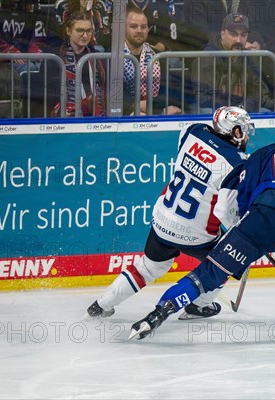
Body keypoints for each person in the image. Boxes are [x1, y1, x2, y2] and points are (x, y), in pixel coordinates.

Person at [129, 118, 275, 341]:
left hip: (258, 221)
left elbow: (240, 195)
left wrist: (252, 226)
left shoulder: (263, 153)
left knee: (208, 273)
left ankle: (158, 312)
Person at [87, 106, 253, 319]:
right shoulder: (237, 164)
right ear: (236, 132)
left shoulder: (192, 132)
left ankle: (101, 305)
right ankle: (199, 306)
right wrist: (245, 232)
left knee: (146, 269)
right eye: (245, 130)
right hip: (197, 236)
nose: (247, 135)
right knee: (226, 260)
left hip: (163, 221)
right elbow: (228, 214)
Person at [189, 12, 275, 114]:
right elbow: (203, 98)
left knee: (265, 112)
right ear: (222, 34)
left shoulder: (248, 58)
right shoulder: (207, 58)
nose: (238, 40)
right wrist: (232, 105)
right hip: (213, 110)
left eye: (243, 35)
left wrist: (241, 107)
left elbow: (257, 92)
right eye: (233, 34)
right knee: (207, 112)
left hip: (241, 109)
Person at [33, 10, 106, 117]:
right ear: (68, 31)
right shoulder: (54, 58)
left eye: (89, 31)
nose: (85, 35)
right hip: (63, 117)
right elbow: (46, 93)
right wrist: (60, 111)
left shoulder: (96, 58)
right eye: (80, 30)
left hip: (94, 116)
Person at [122, 6, 182, 115]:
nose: (139, 30)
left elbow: (171, 92)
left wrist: (152, 103)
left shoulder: (158, 56)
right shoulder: (113, 57)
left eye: (143, 27)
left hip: (155, 113)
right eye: (133, 26)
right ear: (123, 28)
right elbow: (114, 96)